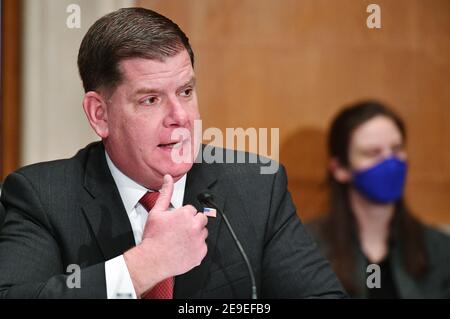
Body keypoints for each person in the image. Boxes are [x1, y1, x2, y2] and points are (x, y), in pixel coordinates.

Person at [0, 7, 345, 299]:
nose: (180, 117)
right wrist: (145, 265)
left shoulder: (256, 187)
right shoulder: (42, 196)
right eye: (150, 99)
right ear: (99, 114)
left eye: (185, 91)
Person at [306, 101, 450, 298]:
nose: (390, 162)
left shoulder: (438, 249)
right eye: (373, 153)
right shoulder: (307, 250)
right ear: (339, 169)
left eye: (397, 149)